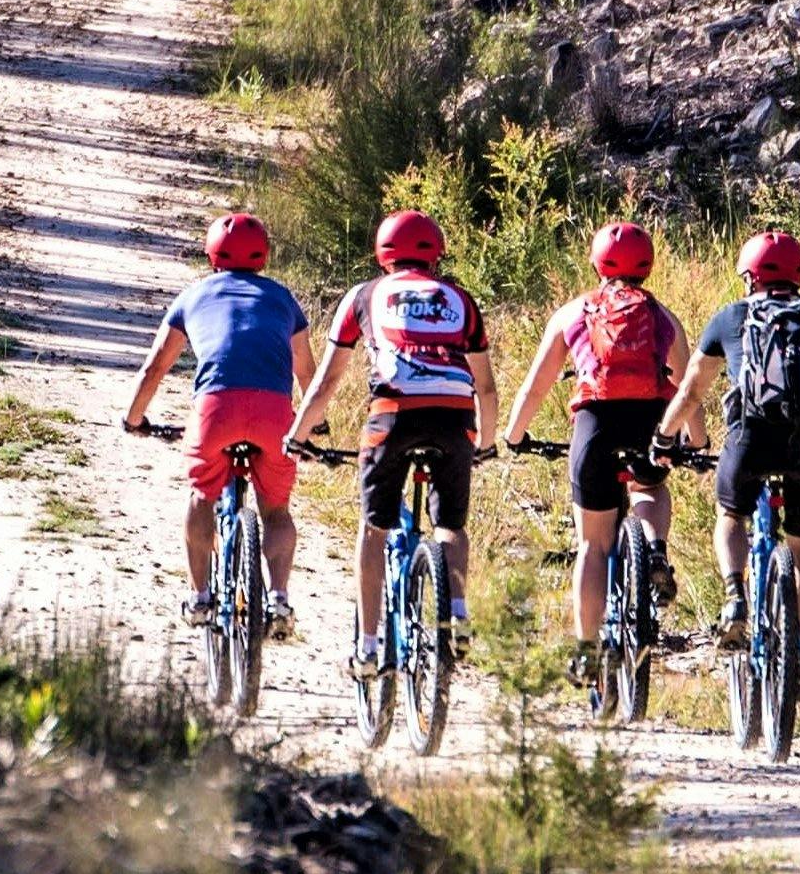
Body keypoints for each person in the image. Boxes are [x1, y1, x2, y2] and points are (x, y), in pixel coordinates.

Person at [657, 228, 800, 694]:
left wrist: (665, 437)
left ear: (750, 276)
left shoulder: (732, 319)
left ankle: (735, 598)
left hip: (751, 440)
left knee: (730, 515)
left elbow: (692, 391)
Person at [289, 207, 487, 680]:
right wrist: (485, 441)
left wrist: (296, 435)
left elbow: (325, 383)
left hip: (393, 414)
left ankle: (369, 644)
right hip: (455, 415)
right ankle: (456, 612)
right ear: (436, 254)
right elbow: (489, 387)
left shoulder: (365, 295)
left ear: (383, 253)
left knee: (374, 528)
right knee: (451, 527)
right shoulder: (461, 299)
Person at [492, 220, 687, 682]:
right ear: (648, 264)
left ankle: (586, 649)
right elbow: (684, 389)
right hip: (650, 422)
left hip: (595, 425)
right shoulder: (662, 316)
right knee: (650, 488)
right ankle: (654, 551)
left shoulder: (572, 313)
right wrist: (694, 440)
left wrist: (515, 435)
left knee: (592, 545)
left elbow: (536, 387)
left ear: (597, 261)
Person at [123, 209, 320, 637]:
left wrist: (134, 418)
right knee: (276, 509)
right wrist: (315, 426)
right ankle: (280, 598)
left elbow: (154, 369)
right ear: (263, 257)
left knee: (201, 495)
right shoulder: (284, 299)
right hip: (274, 415)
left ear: (212, 255)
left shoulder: (193, 296)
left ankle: (198, 596)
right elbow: (307, 373)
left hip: (216, 411)